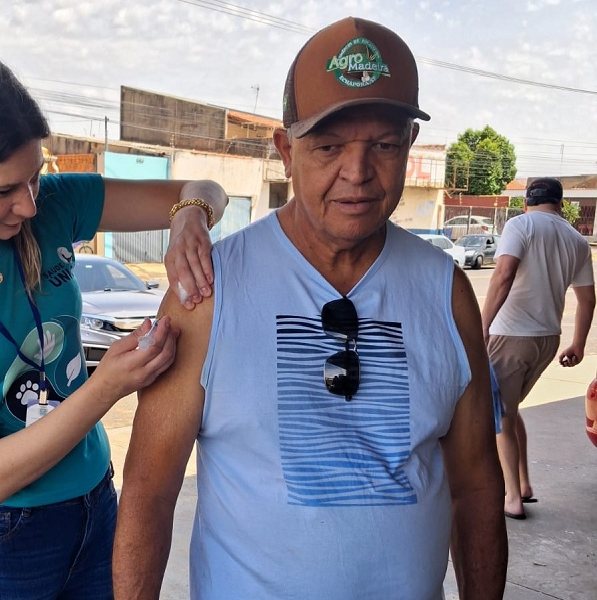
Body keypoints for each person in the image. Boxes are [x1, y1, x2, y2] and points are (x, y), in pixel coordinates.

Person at [114, 17, 507, 599]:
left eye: (384, 145)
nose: (358, 173)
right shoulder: (210, 289)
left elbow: (476, 488)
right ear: (285, 151)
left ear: (408, 148)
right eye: (328, 147)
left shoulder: (444, 291)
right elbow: (149, 490)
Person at [0, 50, 227, 600]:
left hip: (95, 511)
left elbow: (203, 189)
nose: (29, 206)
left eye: (35, 178)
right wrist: (108, 386)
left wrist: (189, 215)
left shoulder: (55, 205)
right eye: (4, 190)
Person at [481, 177, 595, 519]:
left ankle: (511, 497)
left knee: (498, 415)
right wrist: (577, 343)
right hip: (547, 338)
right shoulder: (576, 239)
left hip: (511, 334)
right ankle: (525, 484)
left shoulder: (520, 224)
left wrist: (480, 327)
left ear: (527, 202)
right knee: (510, 411)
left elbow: (503, 274)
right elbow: (588, 298)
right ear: (560, 204)